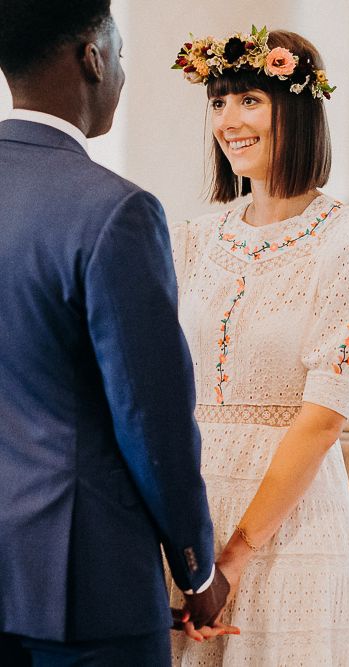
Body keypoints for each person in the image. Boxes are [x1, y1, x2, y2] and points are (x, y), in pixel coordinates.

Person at [0, 1, 233, 665]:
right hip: (82, 583)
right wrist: (196, 566)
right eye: (122, 55)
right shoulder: (114, 210)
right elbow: (150, 417)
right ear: (92, 57)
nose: (123, 75)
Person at [168, 26, 349, 665]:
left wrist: (235, 557)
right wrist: (186, 547)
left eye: (249, 100)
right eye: (218, 101)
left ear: (295, 108)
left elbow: (322, 418)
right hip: (190, 517)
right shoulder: (188, 240)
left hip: (290, 528)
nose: (228, 120)